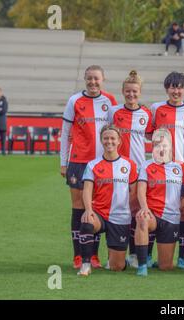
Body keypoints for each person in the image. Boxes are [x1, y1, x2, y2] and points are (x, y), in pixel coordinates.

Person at [60, 65, 118, 270]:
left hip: (101, 164)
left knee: (96, 207)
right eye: (90, 78)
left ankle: (93, 256)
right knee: (78, 207)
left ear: (103, 80)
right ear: (85, 79)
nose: (93, 82)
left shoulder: (110, 101)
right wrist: (63, 162)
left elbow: (115, 132)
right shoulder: (74, 100)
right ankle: (78, 256)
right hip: (78, 161)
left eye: (97, 79)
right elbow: (66, 132)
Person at [150, 71, 184, 269]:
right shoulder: (156, 108)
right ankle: (147, 256)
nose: (176, 91)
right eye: (172, 87)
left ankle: (181, 258)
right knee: (155, 210)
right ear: (166, 89)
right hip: (161, 167)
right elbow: (149, 134)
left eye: (179, 87)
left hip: (183, 167)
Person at [77, 124, 139, 276]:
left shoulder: (129, 164)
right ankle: (85, 265)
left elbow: (134, 192)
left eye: (112, 138)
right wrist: (89, 210)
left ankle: (117, 259)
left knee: (116, 267)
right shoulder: (93, 165)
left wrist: (127, 209)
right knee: (87, 221)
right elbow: (86, 190)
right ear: (101, 140)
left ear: (119, 141)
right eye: (106, 138)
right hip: (99, 214)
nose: (109, 141)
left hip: (121, 217)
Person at [108, 70, 154, 268]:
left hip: (138, 169)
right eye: (128, 91)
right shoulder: (114, 112)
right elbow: (107, 136)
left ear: (140, 92)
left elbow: (153, 137)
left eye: (135, 91)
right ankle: (115, 255)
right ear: (122, 91)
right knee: (117, 210)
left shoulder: (146, 114)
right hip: (117, 168)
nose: (131, 95)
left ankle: (135, 254)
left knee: (136, 212)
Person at [134, 129, 184, 276]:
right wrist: (145, 208)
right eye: (157, 145)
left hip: (171, 218)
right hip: (152, 215)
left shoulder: (181, 167)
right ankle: (142, 265)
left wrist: (179, 206)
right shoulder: (146, 166)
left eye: (164, 145)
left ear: (171, 146)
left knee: (165, 266)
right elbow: (140, 190)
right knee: (142, 218)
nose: (161, 148)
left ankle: (159, 261)